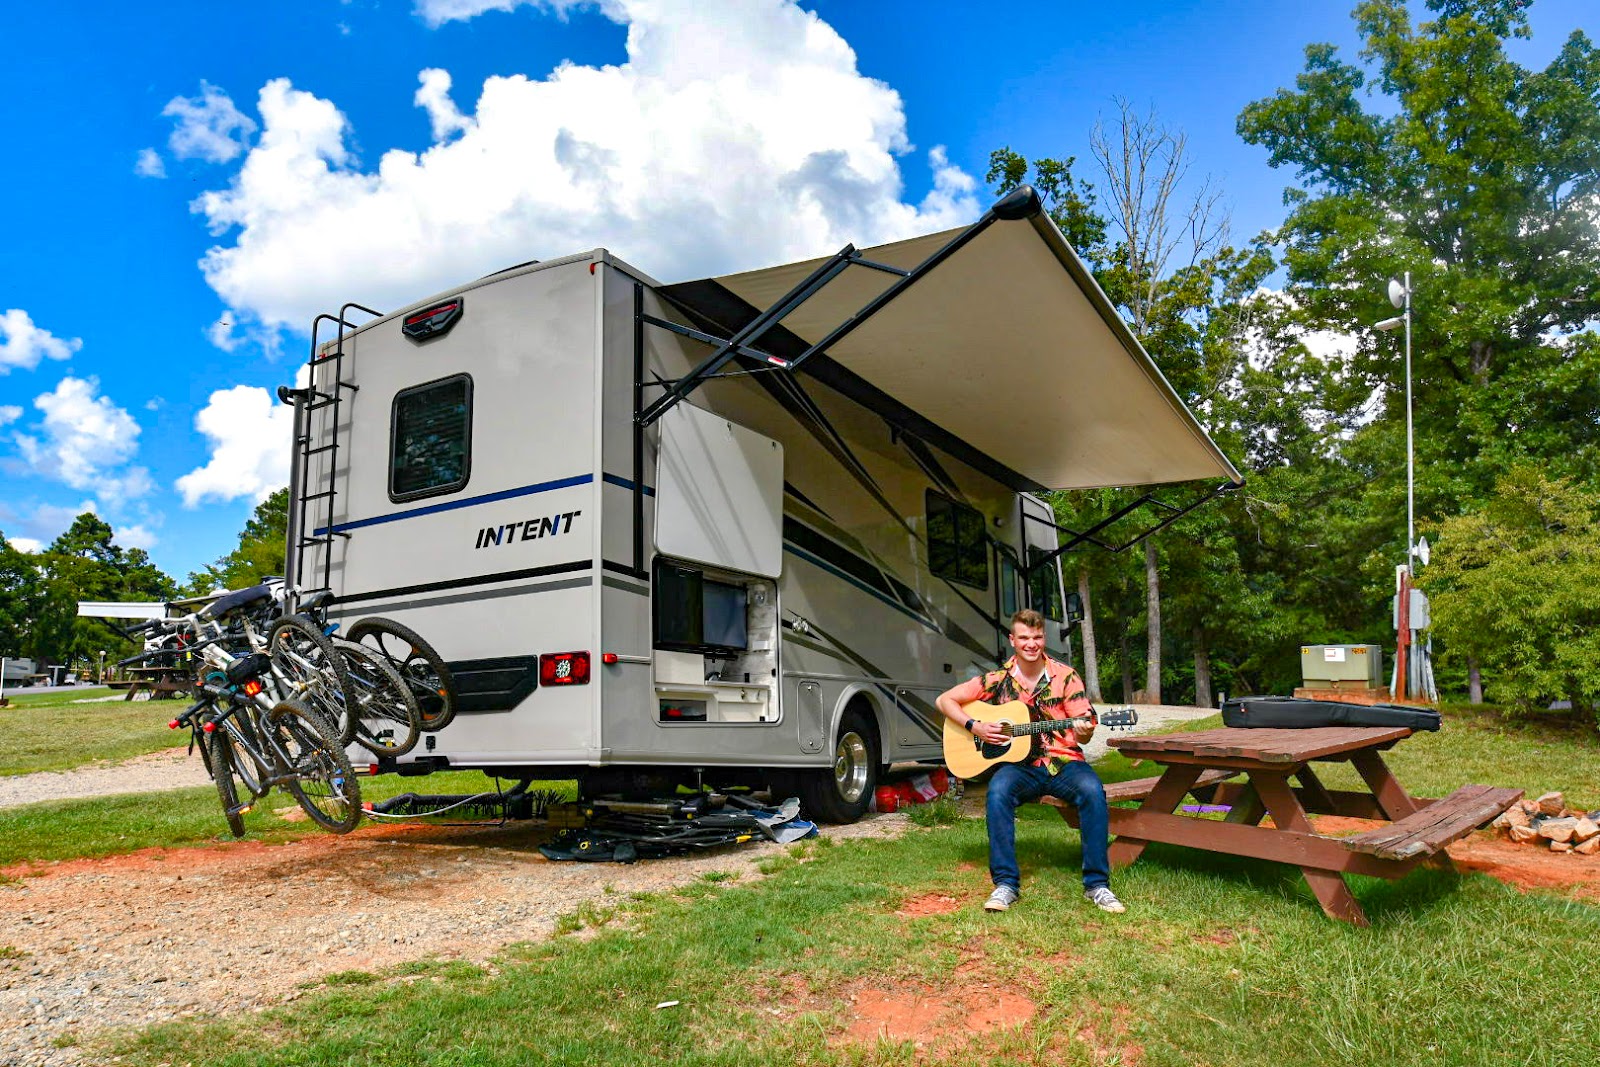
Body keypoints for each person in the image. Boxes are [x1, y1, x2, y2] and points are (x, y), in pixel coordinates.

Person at [936, 609, 1125, 914]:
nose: (1031, 644)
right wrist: (976, 726)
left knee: (1092, 790)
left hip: (1063, 762)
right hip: (1021, 767)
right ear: (1013, 640)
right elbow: (944, 700)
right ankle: (1006, 884)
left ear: (1043, 638)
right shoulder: (997, 680)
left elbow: (1085, 735)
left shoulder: (1066, 676)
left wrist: (1085, 730)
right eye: (1024, 637)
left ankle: (1097, 885)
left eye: (1037, 637)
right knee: (998, 792)